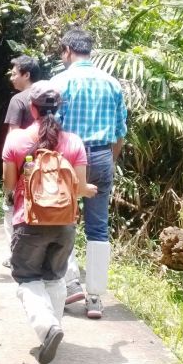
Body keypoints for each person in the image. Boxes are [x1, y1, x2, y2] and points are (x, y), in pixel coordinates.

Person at [2, 81, 97, 364]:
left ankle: (48, 328)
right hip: (65, 223)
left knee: (26, 277)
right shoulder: (74, 142)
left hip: (28, 222)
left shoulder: (16, 140)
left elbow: (8, 184)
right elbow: (80, 188)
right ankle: (54, 328)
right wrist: (88, 190)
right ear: (59, 108)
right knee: (54, 277)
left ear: (32, 108)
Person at [50, 27, 128, 319]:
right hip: (101, 155)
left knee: (62, 219)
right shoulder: (112, 84)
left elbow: (52, 128)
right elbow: (120, 131)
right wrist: (109, 159)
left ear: (68, 51)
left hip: (67, 158)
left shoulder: (59, 82)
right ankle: (95, 298)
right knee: (98, 227)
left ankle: (71, 284)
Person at [2, 55, 42, 267]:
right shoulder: (49, 95)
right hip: (47, 164)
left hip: (22, 164)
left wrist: (7, 180)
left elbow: (12, 138)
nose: (11, 76)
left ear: (26, 75)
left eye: (14, 72)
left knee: (13, 207)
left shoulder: (18, 100)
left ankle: (15, 255)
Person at [4, 55, 41, 131]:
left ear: (26, 75)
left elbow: (13, 135)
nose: (11, 78)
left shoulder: (18, 100)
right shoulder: (47, 96)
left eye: (14, 74)